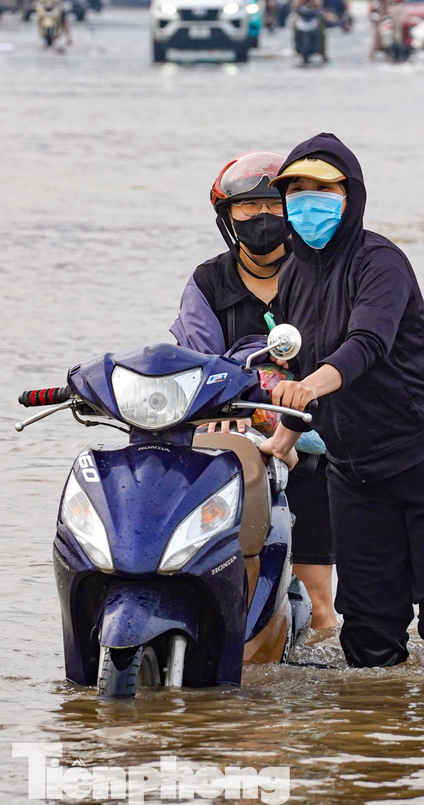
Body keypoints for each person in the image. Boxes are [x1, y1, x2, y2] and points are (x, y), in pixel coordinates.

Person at [259, 133, 424, 670]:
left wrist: (310, 385)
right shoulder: (293, 274)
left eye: (320, 189)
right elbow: (296, 369)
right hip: (357, 474)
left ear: (351, 196)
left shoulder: (380, 262)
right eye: (294, 191)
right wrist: (283, 441)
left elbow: (367, 344)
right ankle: (376, 745)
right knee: (367, 638)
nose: (305, 201)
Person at [170, 152, 338, 632]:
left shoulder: (318, 276)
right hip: (230, 449)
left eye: (274, 205)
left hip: (311, 449)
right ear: (227, 217)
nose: (263, 218)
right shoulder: (207, 282)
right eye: (248, 208)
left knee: (322, 606)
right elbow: (197, 364)